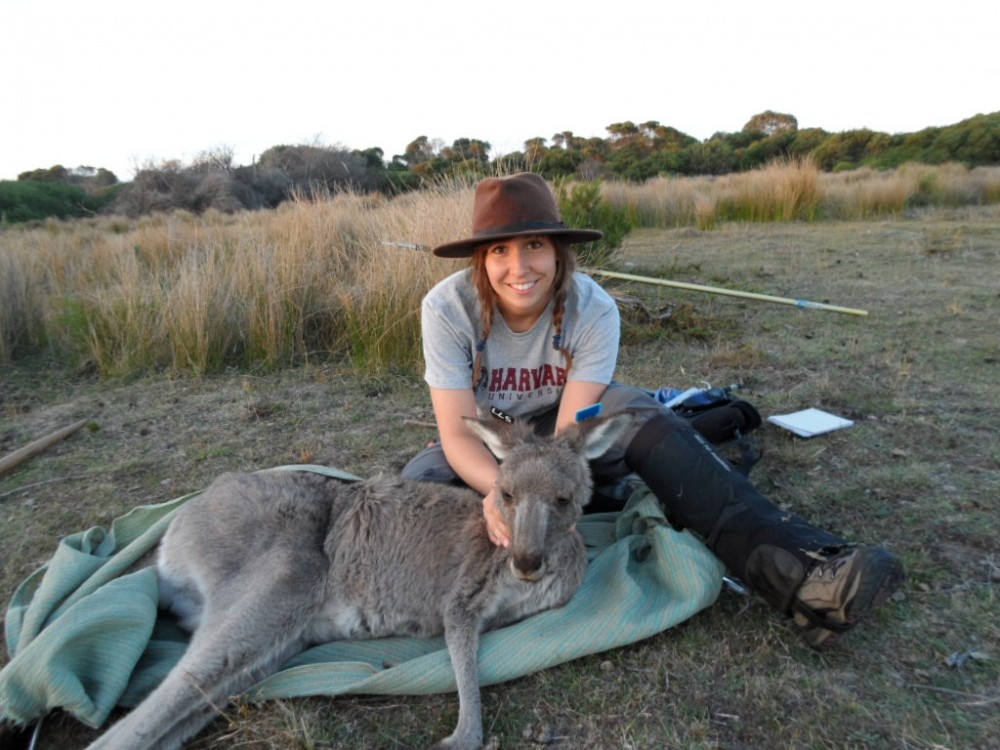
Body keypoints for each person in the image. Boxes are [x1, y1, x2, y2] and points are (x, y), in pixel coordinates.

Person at [401, 172, 904, 648]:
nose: (519, 267)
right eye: (499, 250)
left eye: (534, 245)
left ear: (558, 251)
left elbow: (575, 433)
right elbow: (460, 433)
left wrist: (542, 487)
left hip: (564, 431)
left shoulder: (593, 308)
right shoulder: (446, 309)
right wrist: (498, 491)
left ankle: (800, 576)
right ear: (480, 260)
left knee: (640, 415)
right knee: (423, 481)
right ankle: (471, 595)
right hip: (497, 438)